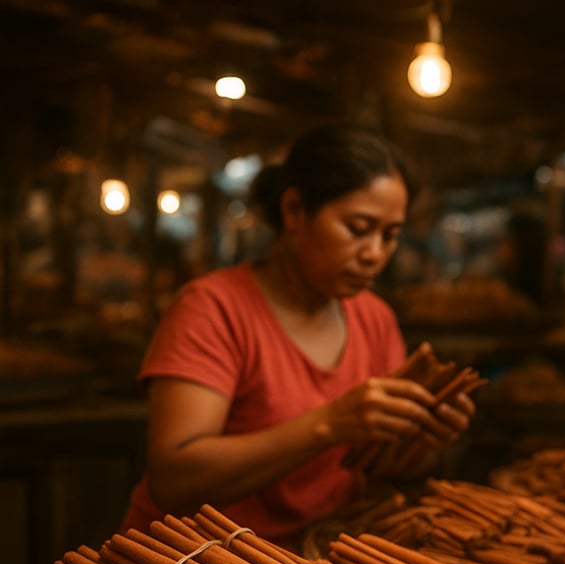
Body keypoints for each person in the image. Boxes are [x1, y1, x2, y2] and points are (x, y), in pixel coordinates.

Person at [119, 124, 474, 543]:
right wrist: (328, 424)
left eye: (390, 235)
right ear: (294, 210)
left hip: (315, 561)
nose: (375, 253)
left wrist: (426, 442)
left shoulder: (374, 319)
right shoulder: (213, 309)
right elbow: (174, 481)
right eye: (358, 228)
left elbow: (378, 467)